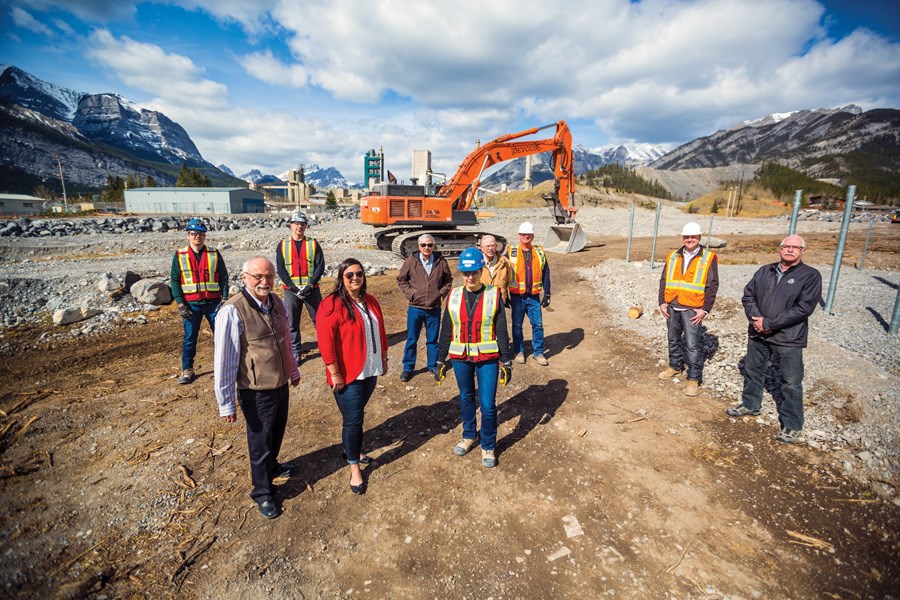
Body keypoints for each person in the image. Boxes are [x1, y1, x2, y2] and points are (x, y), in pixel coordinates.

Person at [214, 257, 300, 519]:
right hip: (255, 390)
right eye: (258, 277)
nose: (265, 282)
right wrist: (226, 402)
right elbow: (225, 360)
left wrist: (293, 369)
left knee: (277, 430)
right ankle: (262, 492)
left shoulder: (276, 302)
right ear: (244, 277)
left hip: (279, 382)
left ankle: (272, 467)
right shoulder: (232, 310)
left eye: (269, 276)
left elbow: (285, 340)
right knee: (259, 441)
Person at [726, 235, 822, 444]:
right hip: (758, 333)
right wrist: (757, 321)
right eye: (786, 246)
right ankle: (751, 404)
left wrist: (769, 323)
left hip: (788, 337)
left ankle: (792, 424)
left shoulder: (810, 275)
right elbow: (748, 296)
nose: (790, 250)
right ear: (779, 249)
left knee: (790, 382)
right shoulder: (765, 271)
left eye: (795, 247)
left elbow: (804, 308)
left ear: (803, 251)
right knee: (753, 370)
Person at [434, 247, 512, 468]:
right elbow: (446, 329)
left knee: (487, 405)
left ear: (481, 271)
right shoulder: (453, 295)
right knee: (466, 397)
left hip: (487, 359)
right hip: (460, 358)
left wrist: (506, 360)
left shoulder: (493, 294)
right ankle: (469, 435)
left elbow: (502, 330)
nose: (470, 277)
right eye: (466, 273)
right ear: (461, 273)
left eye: (474, 272)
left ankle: (488, 446)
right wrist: (440, 360)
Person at [316, 259, 388, 494]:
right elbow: (325, 342)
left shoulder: (371, 301)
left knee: (354, 416)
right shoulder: (331, 304)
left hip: (369, 369)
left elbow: (381, 331)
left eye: (359, 273)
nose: (355, 278)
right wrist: (334, 372)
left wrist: (384, 358)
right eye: (349, 275)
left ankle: (350, 449)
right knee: (354, 420)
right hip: (347, 374)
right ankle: (354, 467)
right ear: (341, 278)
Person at [657, 222, 719, 397]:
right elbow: (664, 280)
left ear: (699, 238)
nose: (689, 240)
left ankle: (693, 378)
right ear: (683, 238)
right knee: (673, 339)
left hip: (692, 308)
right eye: (686, 237)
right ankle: (675, 366)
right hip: (672, 305)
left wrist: (705, 309)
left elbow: (712, 285)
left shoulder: (708, 258)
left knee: (693, 344)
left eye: (693, 237)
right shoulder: (673, 256)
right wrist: (662, 301)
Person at [170, 217, 228, 385]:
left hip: (213, 304)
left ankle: (224, 366)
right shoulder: (180, 255)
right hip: (191, 304)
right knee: (189, 338)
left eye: (201, 234)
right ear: (188, 235)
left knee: (221, 336)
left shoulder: (214, 254)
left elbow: (223, 276)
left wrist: (224, 298)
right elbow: (175, 280)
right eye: (194, 234)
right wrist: (180, 303)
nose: (198, 237)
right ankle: (187, 369)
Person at [396, 233, 453, 382]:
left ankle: (432, 365)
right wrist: (411, 294)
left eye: (429, 245)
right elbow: (401, 279)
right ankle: (408, 368)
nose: (426, 247)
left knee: (432, 339)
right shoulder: (411, 261)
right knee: (412, 339)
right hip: (415, 307)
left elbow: (448, 280)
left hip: (433, 308)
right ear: (419, 246)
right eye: (423, 245)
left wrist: (441, 294)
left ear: (433, 246)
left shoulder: (441, 261)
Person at [275, 210, 324, 365]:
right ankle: (296, 352)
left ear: (306, 226)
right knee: (292, 323)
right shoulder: (283, 245)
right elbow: (281, 269)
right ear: (291, 225)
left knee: (320, 320)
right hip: (291, 291)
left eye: (302, 224)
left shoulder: (313, 243)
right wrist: (293, 288)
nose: (299, 227)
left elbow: (320, 266)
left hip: (312, 290)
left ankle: (326, 348)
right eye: (296, 223)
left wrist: (309, 286)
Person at [505, 221, 551, 366]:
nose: (526, 236)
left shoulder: (539, 251)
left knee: (537, 325)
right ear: (519, 235)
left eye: (529, 234)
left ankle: (538, 352)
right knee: (517, 326)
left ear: (532, 236)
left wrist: (548, 293)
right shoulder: (511, 252)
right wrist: (503, 295)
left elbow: (546, 272)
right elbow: (502, 273)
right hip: (517, 297)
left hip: (534, 297)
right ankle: (519, 351)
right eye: (524, 234)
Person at [479, 234, 512, 305]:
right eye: (487, 246)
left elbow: (509, 281)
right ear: (481, 248)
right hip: (482, 304)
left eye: (492, 245)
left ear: (496, 246)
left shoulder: (505, 262)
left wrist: (506, 296)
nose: (490, 248)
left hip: (499, 303)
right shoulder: (477, 263)